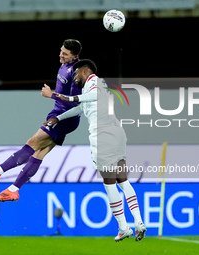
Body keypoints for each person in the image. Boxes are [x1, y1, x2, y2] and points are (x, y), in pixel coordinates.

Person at [43, 59, 146, 242]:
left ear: (84, 71)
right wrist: (58, 118)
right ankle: (139, 222)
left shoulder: (95, 82)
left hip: (103, 136)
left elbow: (91, 96)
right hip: (116, 134)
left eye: (75, 73)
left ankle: (124, 227)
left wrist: (62, 97)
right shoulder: (92, 87)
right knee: (122, 180)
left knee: (109, 183)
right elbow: (82, 107)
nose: (74, 77)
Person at [0, 39, 82, 202]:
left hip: (63, 118)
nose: (60, 54)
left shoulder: (77, 72)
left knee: (32, 143)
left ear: (75, 57)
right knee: (39, 153)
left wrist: (51, 95)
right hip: (59, 114)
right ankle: (13, 189)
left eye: (65, 54)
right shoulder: (64, 65)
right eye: (61, 50)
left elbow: (76, 100)